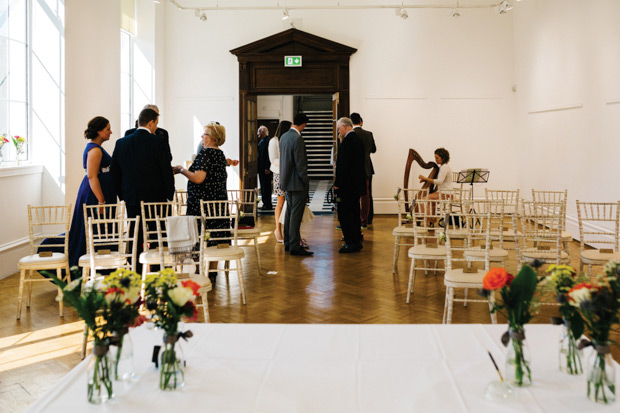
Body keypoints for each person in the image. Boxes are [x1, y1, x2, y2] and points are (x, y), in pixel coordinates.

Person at [111, 108, 175, 272]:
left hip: (132, 197)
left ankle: (136, 269)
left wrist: (123, 194)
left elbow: (115, 173)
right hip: (156, 198)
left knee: (135, 232)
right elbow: (165, 171)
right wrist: (169, 195)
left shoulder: (121, 142)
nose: (155, 128)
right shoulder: (159, 142)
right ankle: (156, 269)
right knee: (157, 233)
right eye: (156, 124)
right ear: (151, 122)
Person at [173, 122, 229, 282]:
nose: (201, 137)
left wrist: (182, 170)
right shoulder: (220, 154)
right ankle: (212, 271)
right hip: (217, 204)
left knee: (199, 236)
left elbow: (198, 178)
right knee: (215, 236)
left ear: (212, 138)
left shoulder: (205, 154)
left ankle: (199, 270)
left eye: (204, 134)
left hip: (202, 204)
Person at [67, 116, 117, 268]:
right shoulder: (95, 150)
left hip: (101, 191)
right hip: (95, 194)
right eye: (108, 129)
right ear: (99, 131)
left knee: (100, 229)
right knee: (95, 229)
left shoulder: (97, 148)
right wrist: (101, 200)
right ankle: (91, 268)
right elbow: (92, 176)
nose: (111, 132)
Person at [279, 113, 313, 257]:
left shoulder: (284, 136)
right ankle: (294, 246)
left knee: (289, 213)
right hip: (297, 183)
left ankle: (288, 242)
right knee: (295, 215)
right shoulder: (297, 139)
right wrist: (306, 183)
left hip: (287, 181)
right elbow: (301, 165)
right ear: (303, 124)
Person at [334, 117, 366, 253]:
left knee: (345, 214)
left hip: (347, 186)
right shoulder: (357, 139)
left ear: (345, 126)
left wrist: (337, 184)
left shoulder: (348, 141)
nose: (338, 131)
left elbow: (344, 166)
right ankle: (356, 240)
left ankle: (351, 242)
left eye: (339, 128)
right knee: (353, 212)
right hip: (356, 185)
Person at [350, 113, 376, 229]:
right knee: (367, 194)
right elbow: (374, 150)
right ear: (361, 122)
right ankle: (368, 218)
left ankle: (357, 218)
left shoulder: (351, 135)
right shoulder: (368, 134)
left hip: (354, 168)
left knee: (354, 194)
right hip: (367, 167)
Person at [269, 120, 291, 243]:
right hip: (278, 173)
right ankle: (278, 230)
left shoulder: (285, 140)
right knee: (280, 203)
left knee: (288, 203)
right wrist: (287, 161)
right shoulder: (274, 141)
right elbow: (273, 159)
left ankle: (288, 231)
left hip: (287, 173)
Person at [257, 125, 273, 210]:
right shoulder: (262, 141)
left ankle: (267, 204)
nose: (257, 134)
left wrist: (268, 167)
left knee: (266, 187)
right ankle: (265, 203)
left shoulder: (267, 141)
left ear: (262, 132)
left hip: (265, 169)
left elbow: (268, 156)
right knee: (263, 186)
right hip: (261, 168)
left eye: (258, 131)